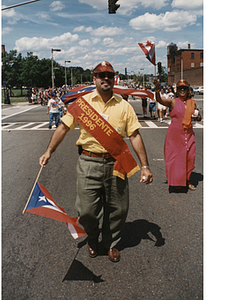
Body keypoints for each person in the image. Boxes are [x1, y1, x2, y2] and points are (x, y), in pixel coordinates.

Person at [39, 61, 154, 263]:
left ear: (114, 78)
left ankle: (111, 243)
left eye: (109, 75)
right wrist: (49, 151)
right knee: (86, 210)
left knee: (117, 208)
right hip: (88, 162)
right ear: (95, 79)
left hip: (116, 164)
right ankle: (93, 236)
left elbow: (134, 135)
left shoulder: (124, 106)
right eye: (101, 75)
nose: (106, 78)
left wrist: (145, 166)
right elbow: (63, 128)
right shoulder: (82, 104)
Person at [153, 78, 201, 191]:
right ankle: (177, 181)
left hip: (188, 134)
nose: (182, 90)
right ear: (177, 90)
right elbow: (159, 100)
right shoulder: (173, 101)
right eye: (180, 88)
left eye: (185, 88)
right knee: (176, 159)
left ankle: (187, 180)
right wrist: (157, 88)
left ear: (188, 90)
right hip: (175, 135)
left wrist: (197, 116)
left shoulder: (192, 102)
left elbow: (199, 116)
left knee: (190, 157)